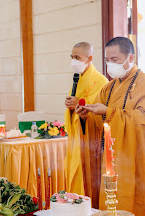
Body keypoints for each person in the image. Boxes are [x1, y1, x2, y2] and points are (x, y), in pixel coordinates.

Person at [75, 37, 145, 215]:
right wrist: (86, 116)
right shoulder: (108, 88)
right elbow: (98, 121)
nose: (110, 64)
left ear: (130, 58)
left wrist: (109, 112)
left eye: (114, 60)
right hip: (111, 159)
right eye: (108, 60)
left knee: (133, 204)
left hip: (135, 161)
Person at [64, 42, 108, 204]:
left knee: (88, 182)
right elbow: (73, 109)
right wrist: (70, 107)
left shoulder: (101, 81)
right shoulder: (78, 78)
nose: (73, 61)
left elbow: (100, 113)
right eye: (72, 57)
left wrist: (79, 106)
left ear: (89, 58)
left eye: (77, 57)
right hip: (76, 140)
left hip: (91, 142)